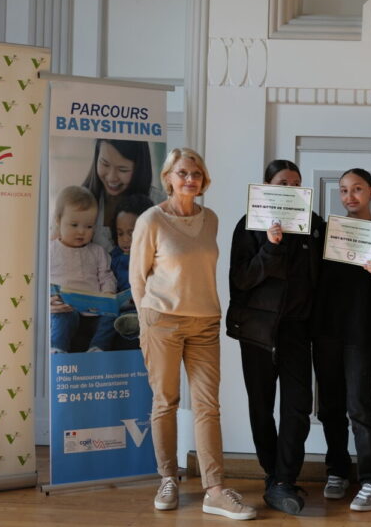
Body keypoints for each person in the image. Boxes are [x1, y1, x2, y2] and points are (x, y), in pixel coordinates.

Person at [129, 148, 255, 521]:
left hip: (205, 322)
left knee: (207, 407)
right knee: (165, 401)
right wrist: (146, 322)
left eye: (196, 173)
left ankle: (214, 490)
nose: (190, 179)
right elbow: (137, 278)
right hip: (162, 321)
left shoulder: (211, 219)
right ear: (169, 177)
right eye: (183, 173)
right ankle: (168, 477)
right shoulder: (151, 220)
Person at [227, 159, 324, 516]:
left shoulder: (314, 225)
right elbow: (241, 280)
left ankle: (285, 478)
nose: (291, 188)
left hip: (298, 331)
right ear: (267, 185)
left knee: (297, 408)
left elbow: (340, 257)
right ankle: (272, 475)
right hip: (256, 332)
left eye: (296, 183)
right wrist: (270, 246)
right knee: (261, 407)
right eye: (283, 183)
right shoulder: (248, 225)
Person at [312, 168, 371, 512]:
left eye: (356, 189)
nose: (349, 196)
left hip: (364, 333)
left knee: (360, 406)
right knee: (330, 408)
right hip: (326, 332)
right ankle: (337, 470)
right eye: (343, 191)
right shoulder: (327, 233)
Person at [48, 185, 117, 354]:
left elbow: (106, 276)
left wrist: (108, 295)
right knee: (62, 318)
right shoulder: (50, 250)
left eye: (89, 227)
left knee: (113, 318)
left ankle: (97, 348)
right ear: (58, 220)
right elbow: (40, 282)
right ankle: (57, 349)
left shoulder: (97, 251)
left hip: (95, 312)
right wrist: (48, 300)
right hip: (66, 309)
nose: (81, 231)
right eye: (74, 225)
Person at [92, 192, 154, 352]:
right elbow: (105, 277)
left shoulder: (153, 256)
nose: (125, 239)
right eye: (120, 233)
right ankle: (97, 347)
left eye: (132, 233)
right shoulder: (114, 257)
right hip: (117, 308)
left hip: (142, 307)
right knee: (108, 317)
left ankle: (135, 326)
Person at [81, 139, 163, 252]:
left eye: (122, 170)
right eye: (104, 164)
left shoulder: (159, 203)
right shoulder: (78, 200)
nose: (111, 177)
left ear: (139, 169)